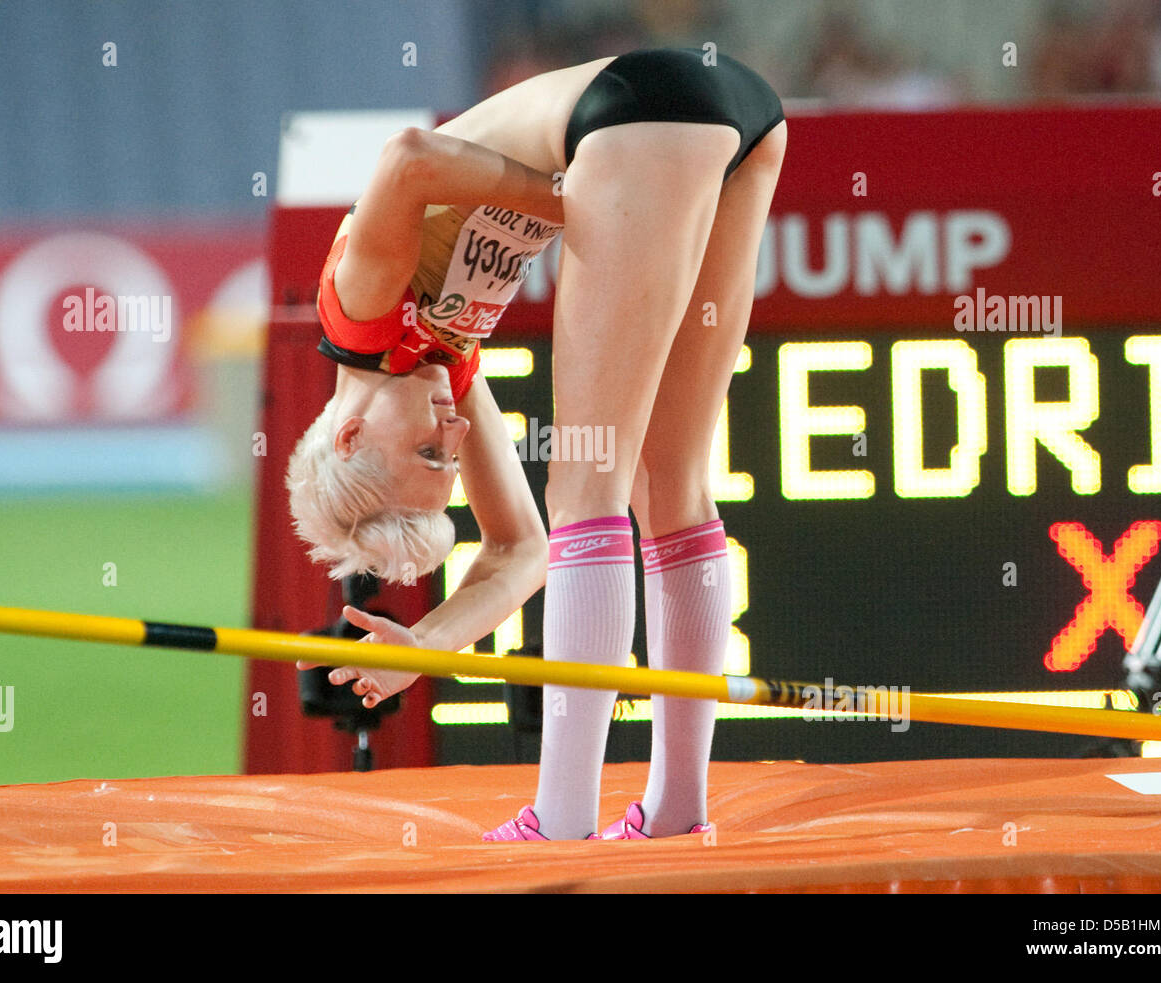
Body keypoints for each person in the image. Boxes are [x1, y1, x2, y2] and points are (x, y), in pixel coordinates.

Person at [287, 48, 787, 840]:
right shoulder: (435, 369)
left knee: (587, 486)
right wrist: (424, 644)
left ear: (349, 430)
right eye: (447, 463)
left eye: (427, 452)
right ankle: (677, 809)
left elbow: (408, 158)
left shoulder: (358, 304)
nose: (453, 438)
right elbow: (521, 551)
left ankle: (559, 819)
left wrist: (563, 199)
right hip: (743, 115)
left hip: (635, 113)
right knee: (670, 490)